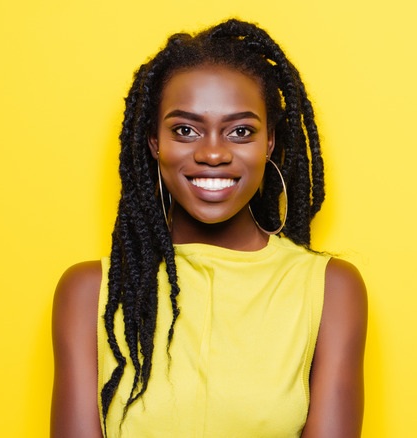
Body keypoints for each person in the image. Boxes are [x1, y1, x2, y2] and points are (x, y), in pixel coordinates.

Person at [51, 19, 367, 438]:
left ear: (269, 142)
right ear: (154, 143)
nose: (213, 153)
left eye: (240, 131)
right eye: (185, 130)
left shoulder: (329, 289)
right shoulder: (90, 291)